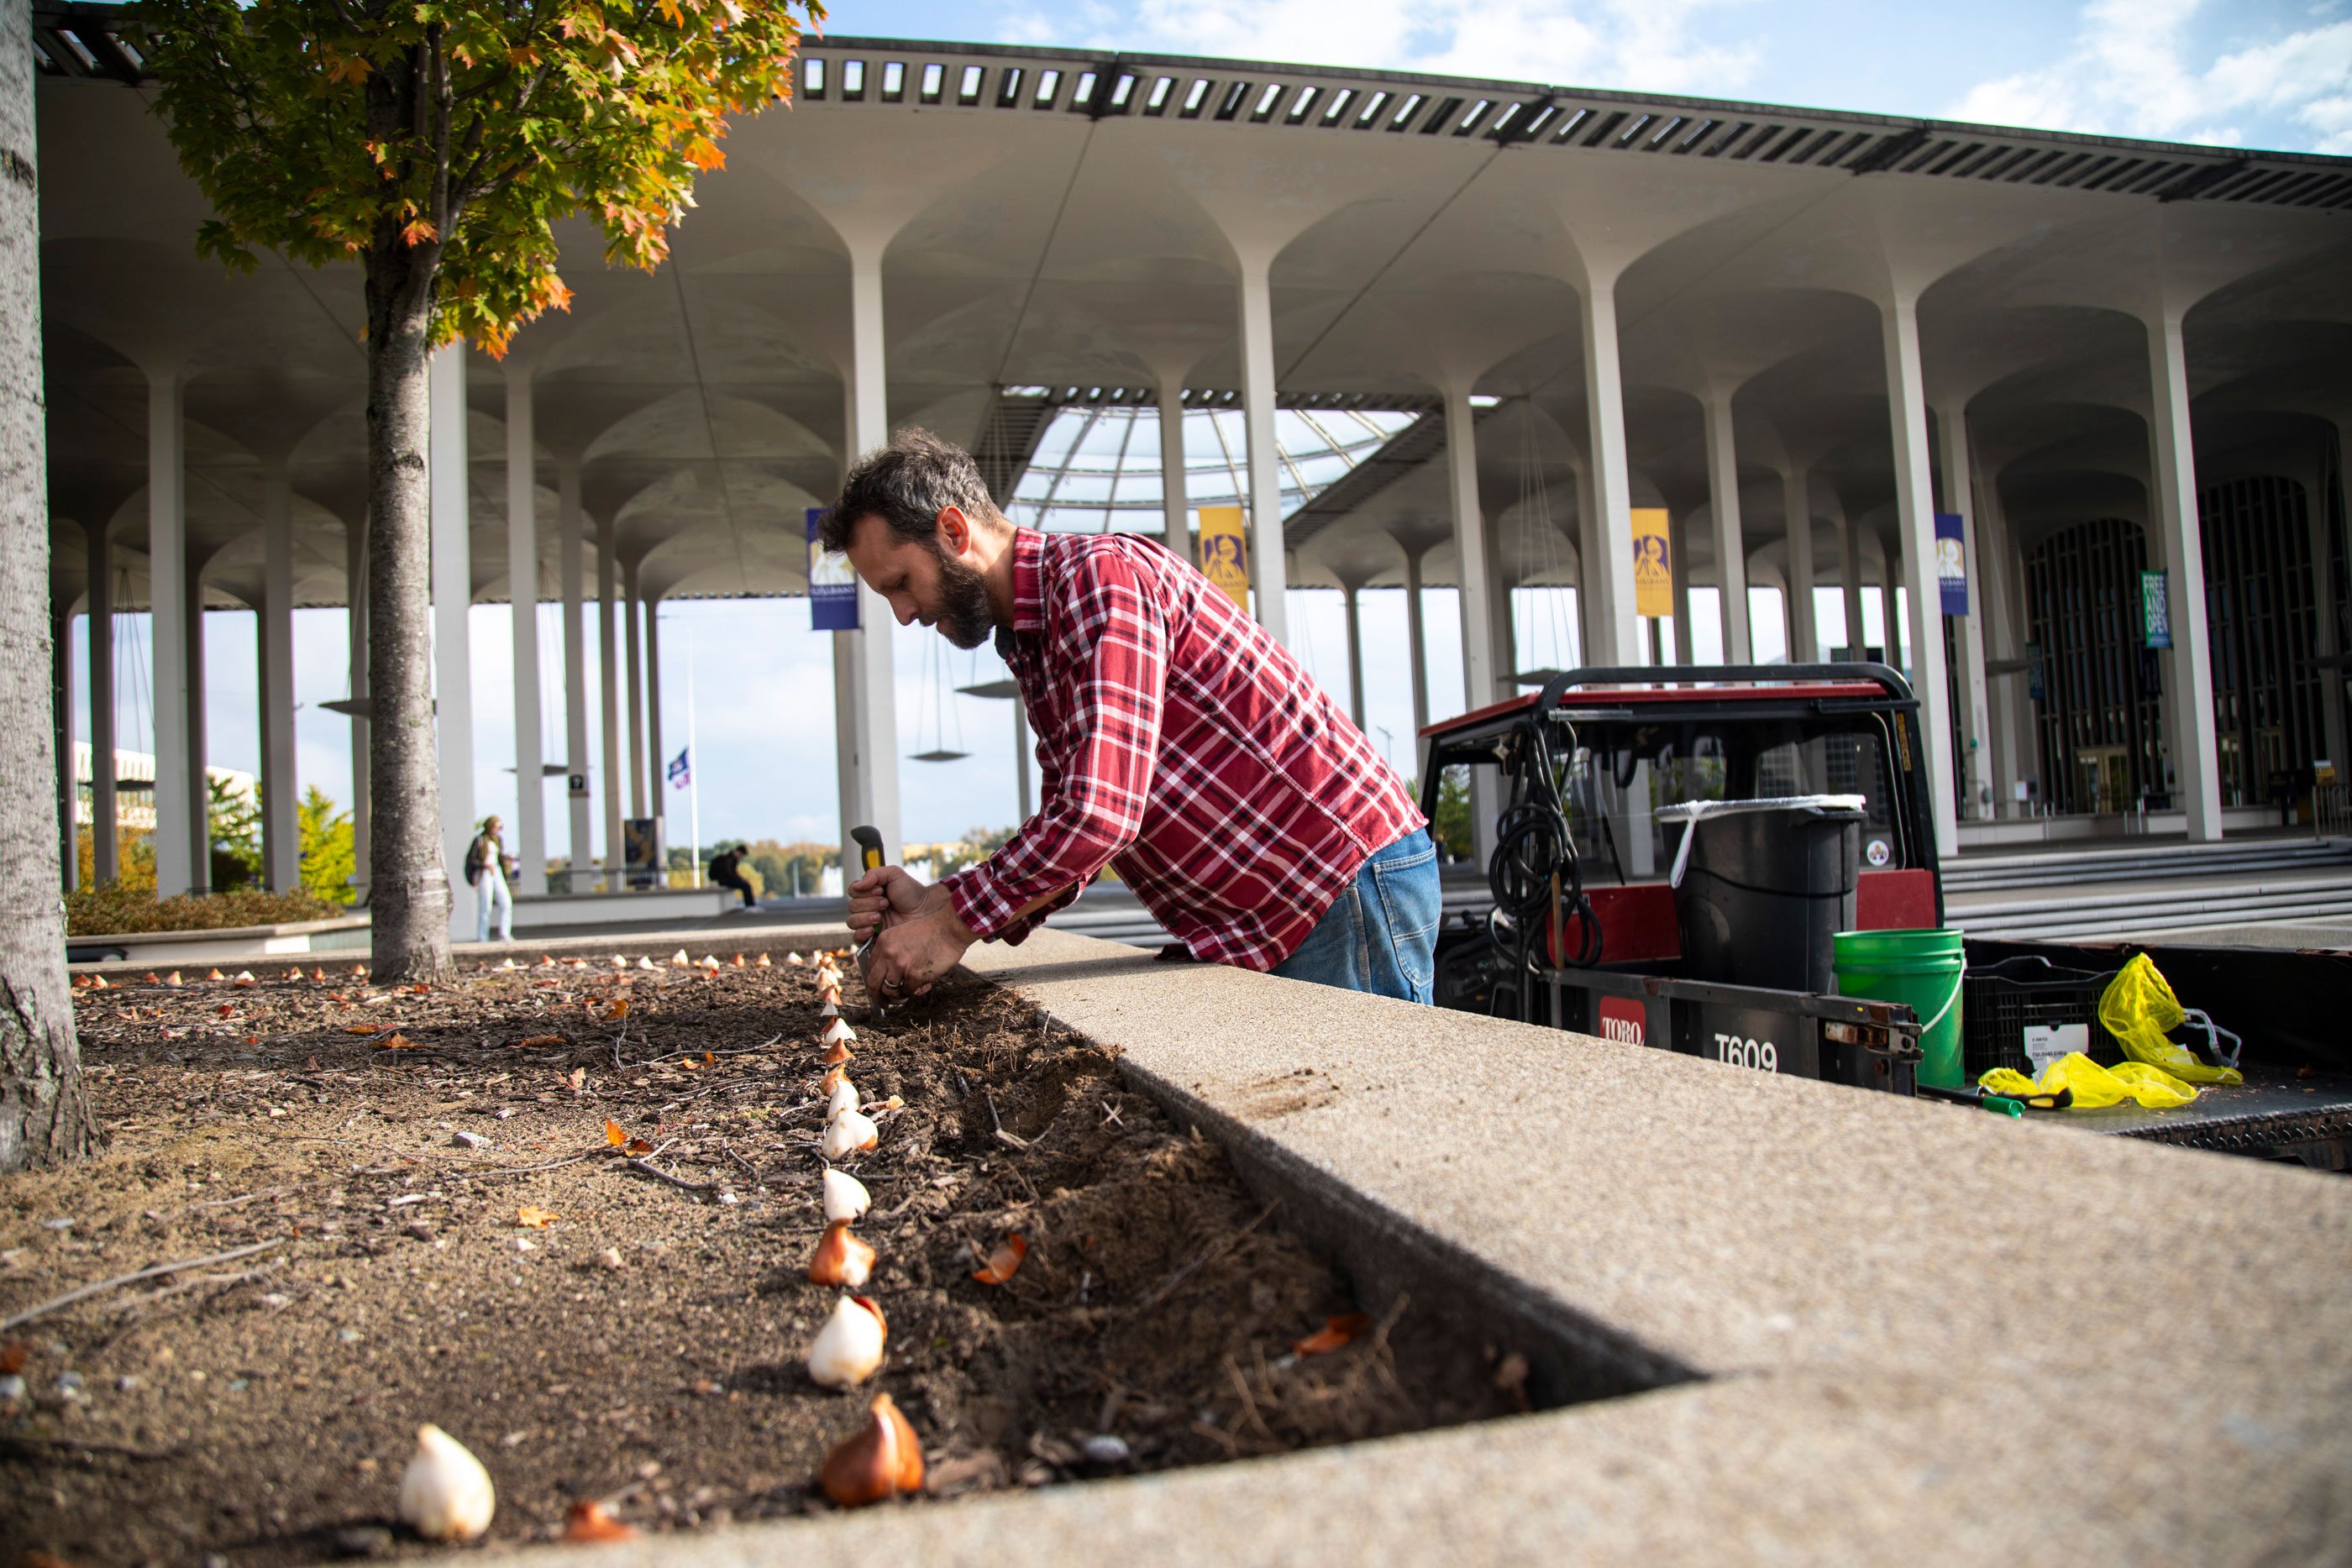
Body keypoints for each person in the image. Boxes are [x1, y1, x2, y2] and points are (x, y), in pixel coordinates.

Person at [835, 429, 1438, 1004]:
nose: (904, 613)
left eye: (900, 583)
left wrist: (949, 930)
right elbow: (1068, 826)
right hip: (1286, 900)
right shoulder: (1033, 639)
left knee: (1377, 1109)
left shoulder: (1099, 580)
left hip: (1337, 881)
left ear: (953, 529)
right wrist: (936, 901)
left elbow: (1099, 817)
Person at [465, 815, 515, 944]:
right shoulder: (480, 840)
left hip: (496, 872)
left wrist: (506, 860)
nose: (497, 830)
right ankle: (483, 936)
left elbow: (499, 856)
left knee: (506, 903)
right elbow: (471, 859)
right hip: (485, 872)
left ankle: (505, 933)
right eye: (495, 827)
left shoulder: (498, 840)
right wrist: (485, 865)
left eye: (499, 828)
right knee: (485, 905)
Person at [709, 842, 757, 910]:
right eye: (741, 855)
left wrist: (741, 879)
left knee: (745, 885)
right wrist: (740, 879)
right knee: (746, 886)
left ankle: (750, 905)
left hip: (725, 879)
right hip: (724, 880)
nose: (741, 858)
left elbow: (733, 873)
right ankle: (750, 905)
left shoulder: (730, 858)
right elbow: (730, 873)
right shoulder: (729, 859)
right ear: (738, 852)